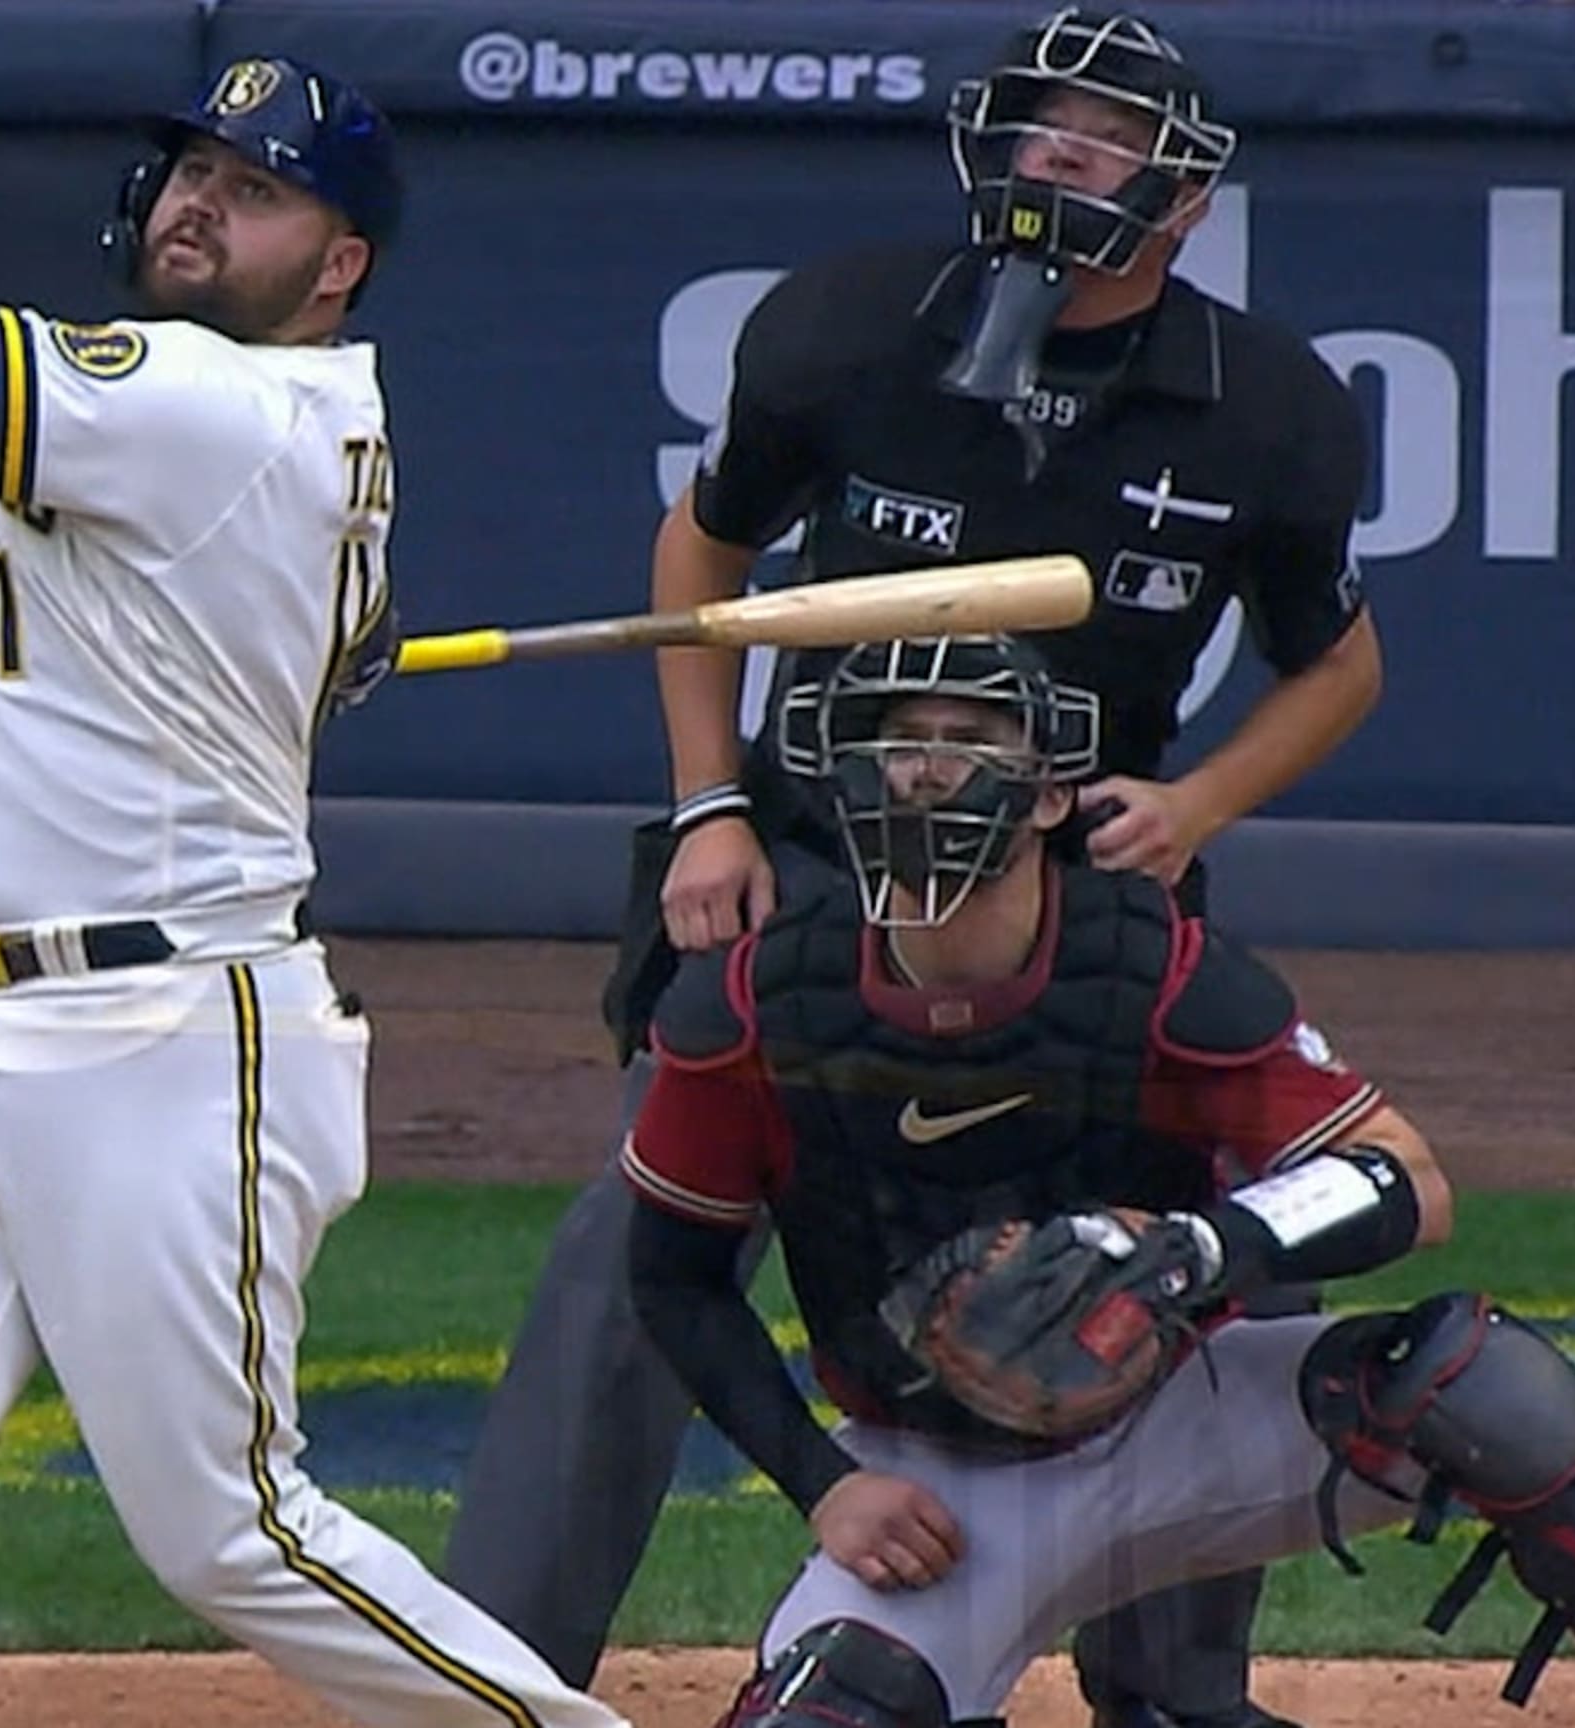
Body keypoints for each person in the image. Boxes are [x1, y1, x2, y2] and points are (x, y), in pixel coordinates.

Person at [0, 8, 626, 1728]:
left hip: (155, 1037)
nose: (197, 204)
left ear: (338, 265)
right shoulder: (268, 419)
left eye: (254, 192)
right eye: (194, 168)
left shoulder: (205, 400)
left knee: (229, 1531)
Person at [448, 14, 1379, 1727]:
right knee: (635, 1243)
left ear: (1177, 201)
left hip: (1086, 888)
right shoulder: (843, 329)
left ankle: (1172, 1688)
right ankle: (490, 1678)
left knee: (1227, 1247)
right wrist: (705, 805)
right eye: (1032, 129)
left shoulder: (1271, 414)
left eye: (1094, 143)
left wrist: (1198, 809)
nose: (1048, 162)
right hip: (818, 861)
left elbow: (1338, 658)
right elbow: (705, 551)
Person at [625, 635, 1575, 1728]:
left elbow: (1402, 1181)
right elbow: (674, 1281)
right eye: (904, 746)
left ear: (1049, 789)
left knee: (1472, 1377)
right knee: (836, 1707)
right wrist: (825, 1485)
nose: (932, 771)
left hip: (1182, 1414)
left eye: (969, 742)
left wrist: (1196, 1253)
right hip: (931, 1481)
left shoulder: (1155, 970)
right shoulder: (749, 1003)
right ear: (849, 774)